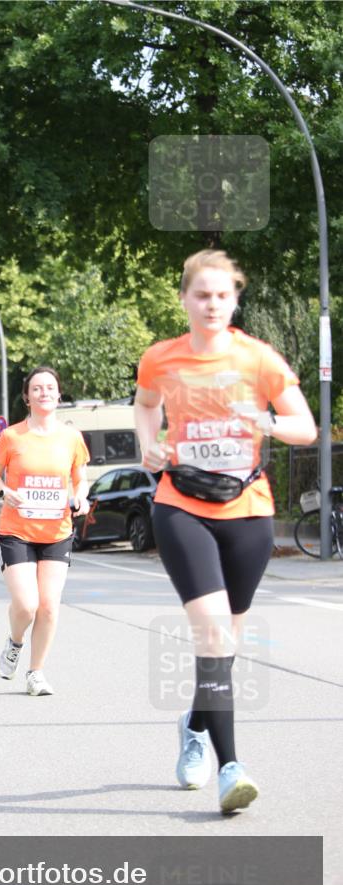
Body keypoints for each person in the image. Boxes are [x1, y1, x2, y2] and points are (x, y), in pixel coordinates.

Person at [134, 249, 317, 813]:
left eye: (222, 295)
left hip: (248, 508)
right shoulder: (161, 359)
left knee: (225, 646)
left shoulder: (258, 358)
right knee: (212, 635)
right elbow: (144, 406)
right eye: (201, 295)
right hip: (181, 503)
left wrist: (264, 420)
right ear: (185, 298)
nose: (211, 304)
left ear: (234, 299)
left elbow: (305, 428)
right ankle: (230, 767)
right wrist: (148, 444)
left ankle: (193, 725)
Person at [0, 366, 90, 696]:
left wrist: (81, 498)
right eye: (37, 388)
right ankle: (15, 643)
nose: (44, 392)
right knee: (27, 605)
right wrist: (4, 491)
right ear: (27, 397)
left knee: (49, 606)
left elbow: (80, 478)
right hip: (17, 530)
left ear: (59, 395)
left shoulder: (71, 437)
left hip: (58, 531)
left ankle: (36, 672)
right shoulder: (12, 437)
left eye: (50, 387)